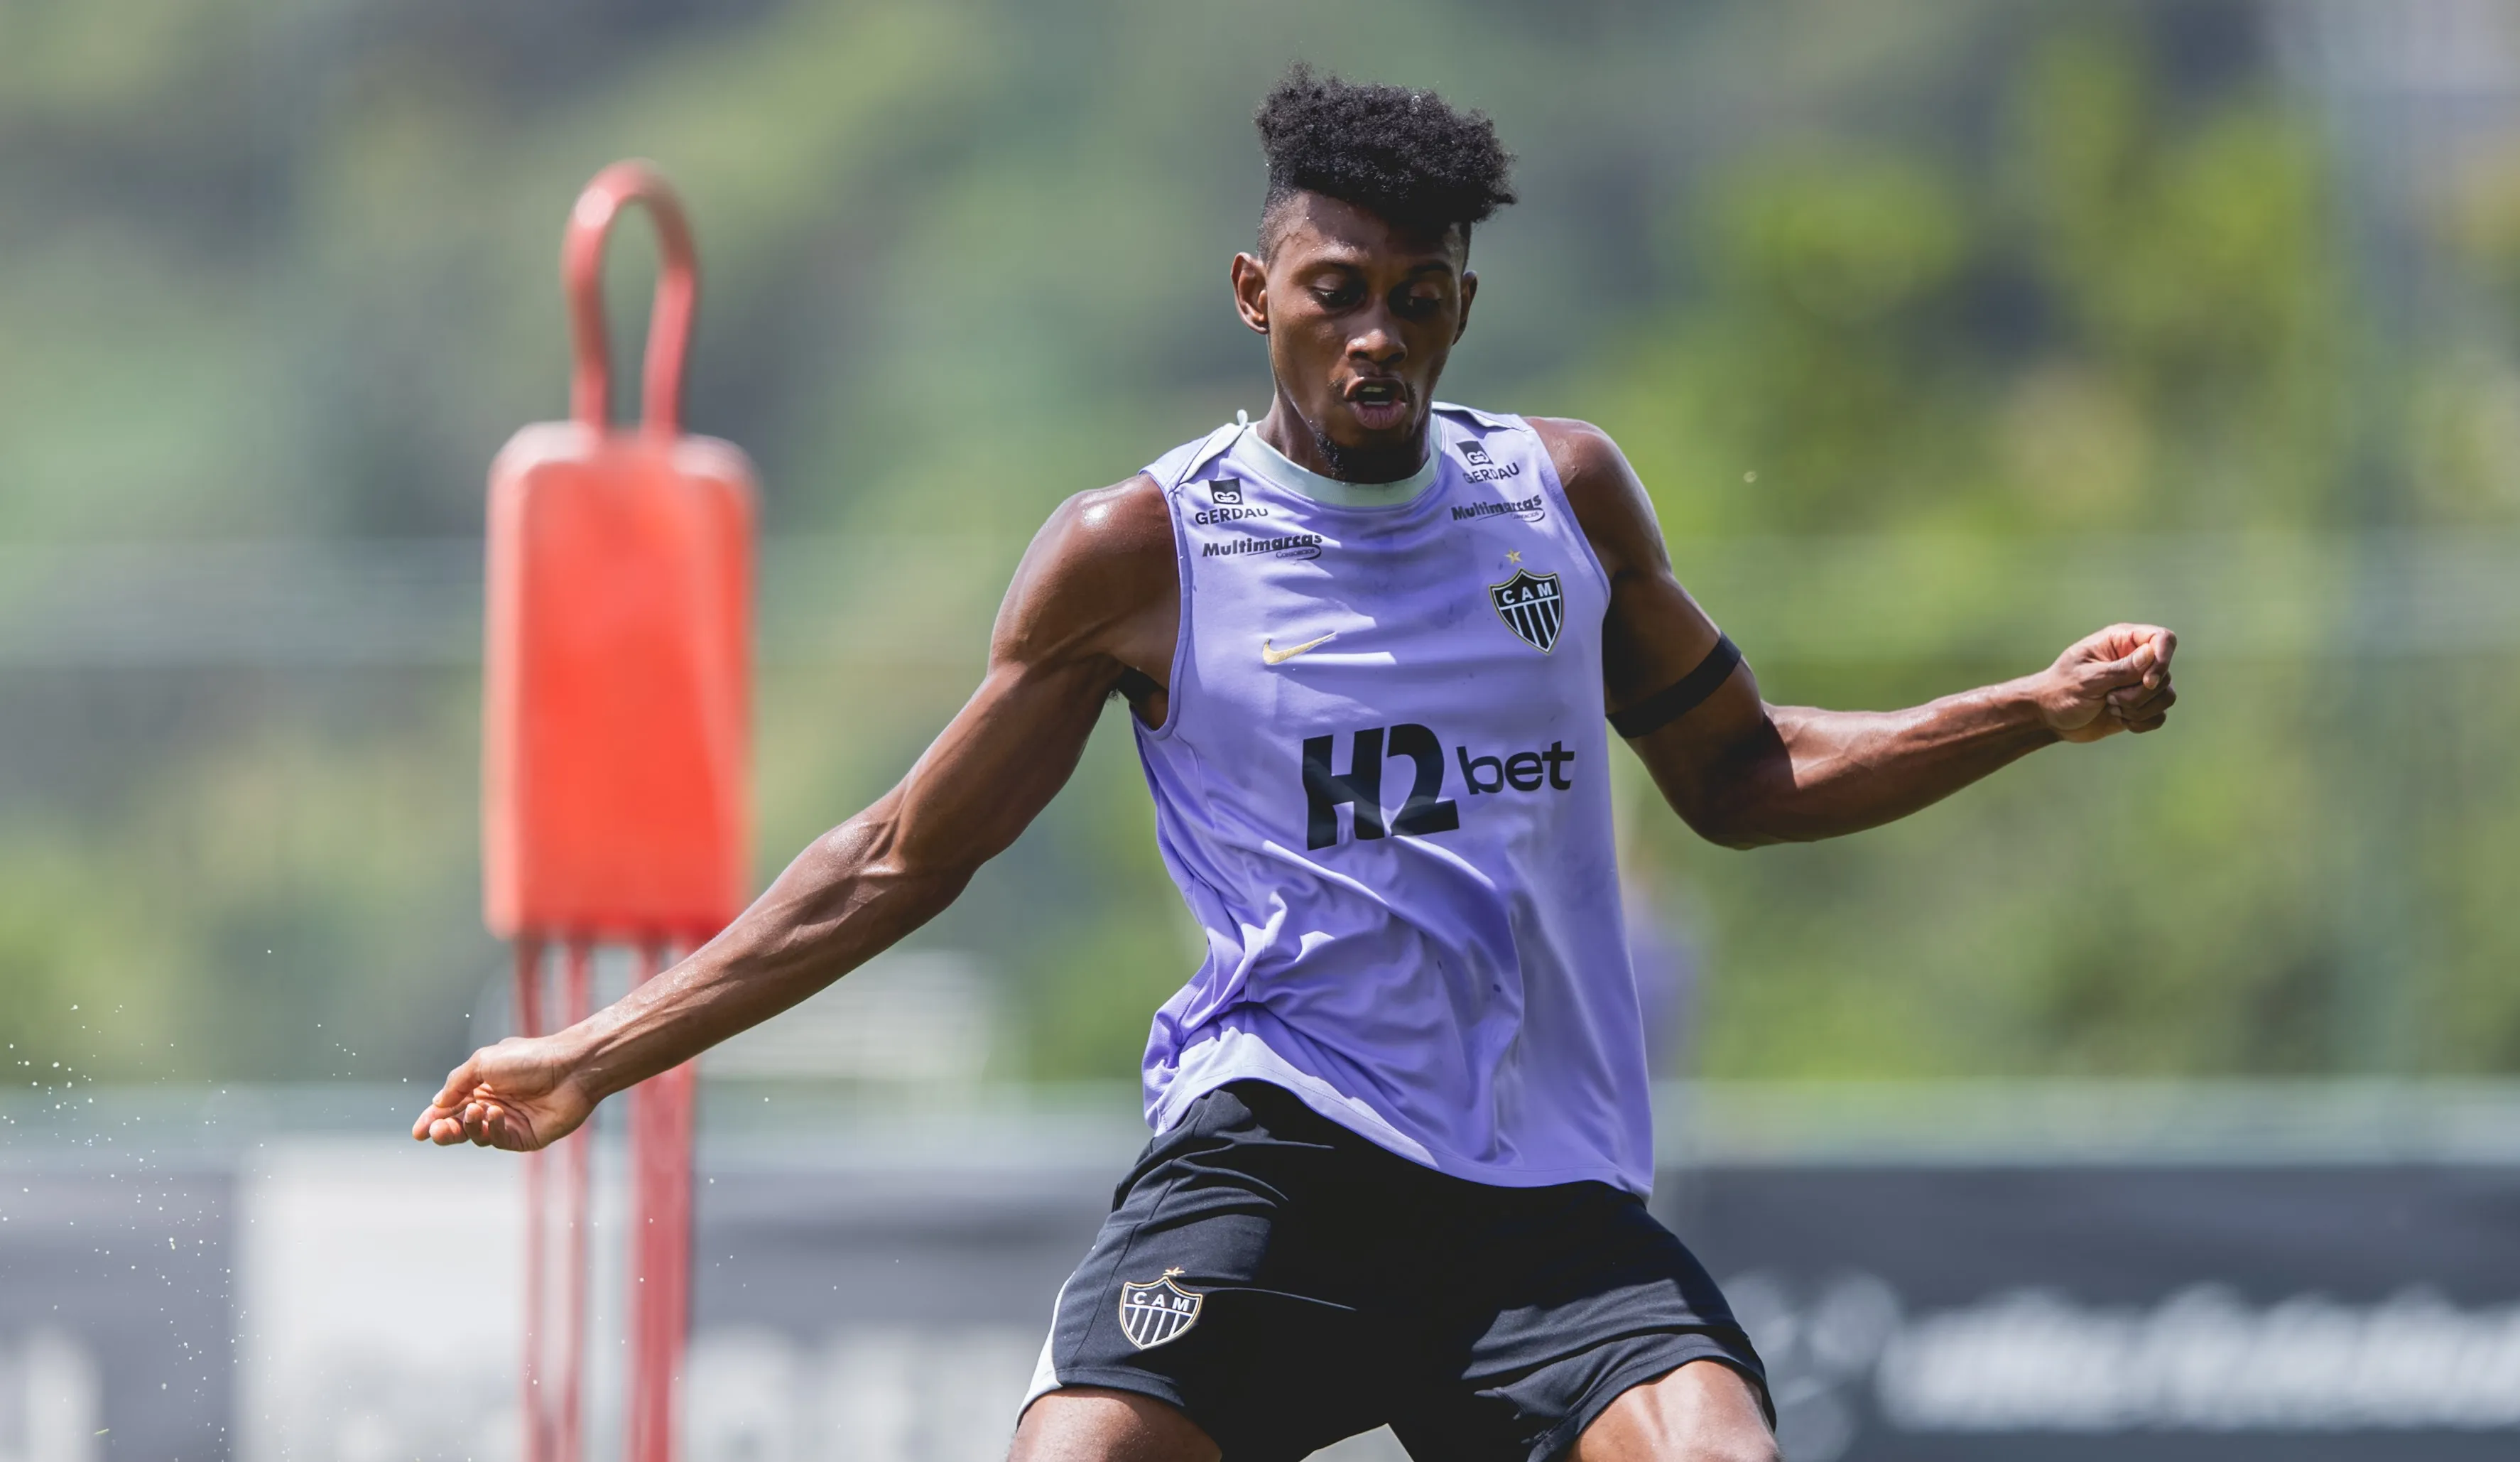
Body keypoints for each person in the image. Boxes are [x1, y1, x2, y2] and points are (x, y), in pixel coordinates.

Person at [414, 67, 2177, 1462]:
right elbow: (897, 858)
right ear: (1257, 293)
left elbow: (1747, 772)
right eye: (1338, 294)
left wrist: (2024, 708)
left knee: (1716, 1450)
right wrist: (594, 1050)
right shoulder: (1142, 555)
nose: (1378, 340)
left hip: (1542, 1188)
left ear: (1463, 310)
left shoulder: (1559, 500)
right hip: (1282, 1157)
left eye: (1419, 301)